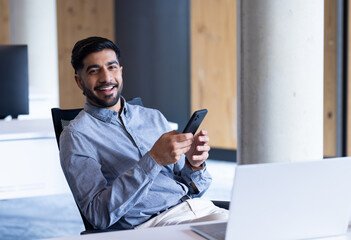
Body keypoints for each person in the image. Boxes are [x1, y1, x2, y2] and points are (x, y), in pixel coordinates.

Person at [59, 36, 228, 230]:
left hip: (199, 210)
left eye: (112, 67)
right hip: (155, 225)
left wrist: (194, 166)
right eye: (94, 70)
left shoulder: (153, 118)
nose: (106, 77)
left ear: (121, 72)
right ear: (79, 81)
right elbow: (98, 215)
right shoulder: (76, 136)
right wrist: (153, 159)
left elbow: (195, 191)